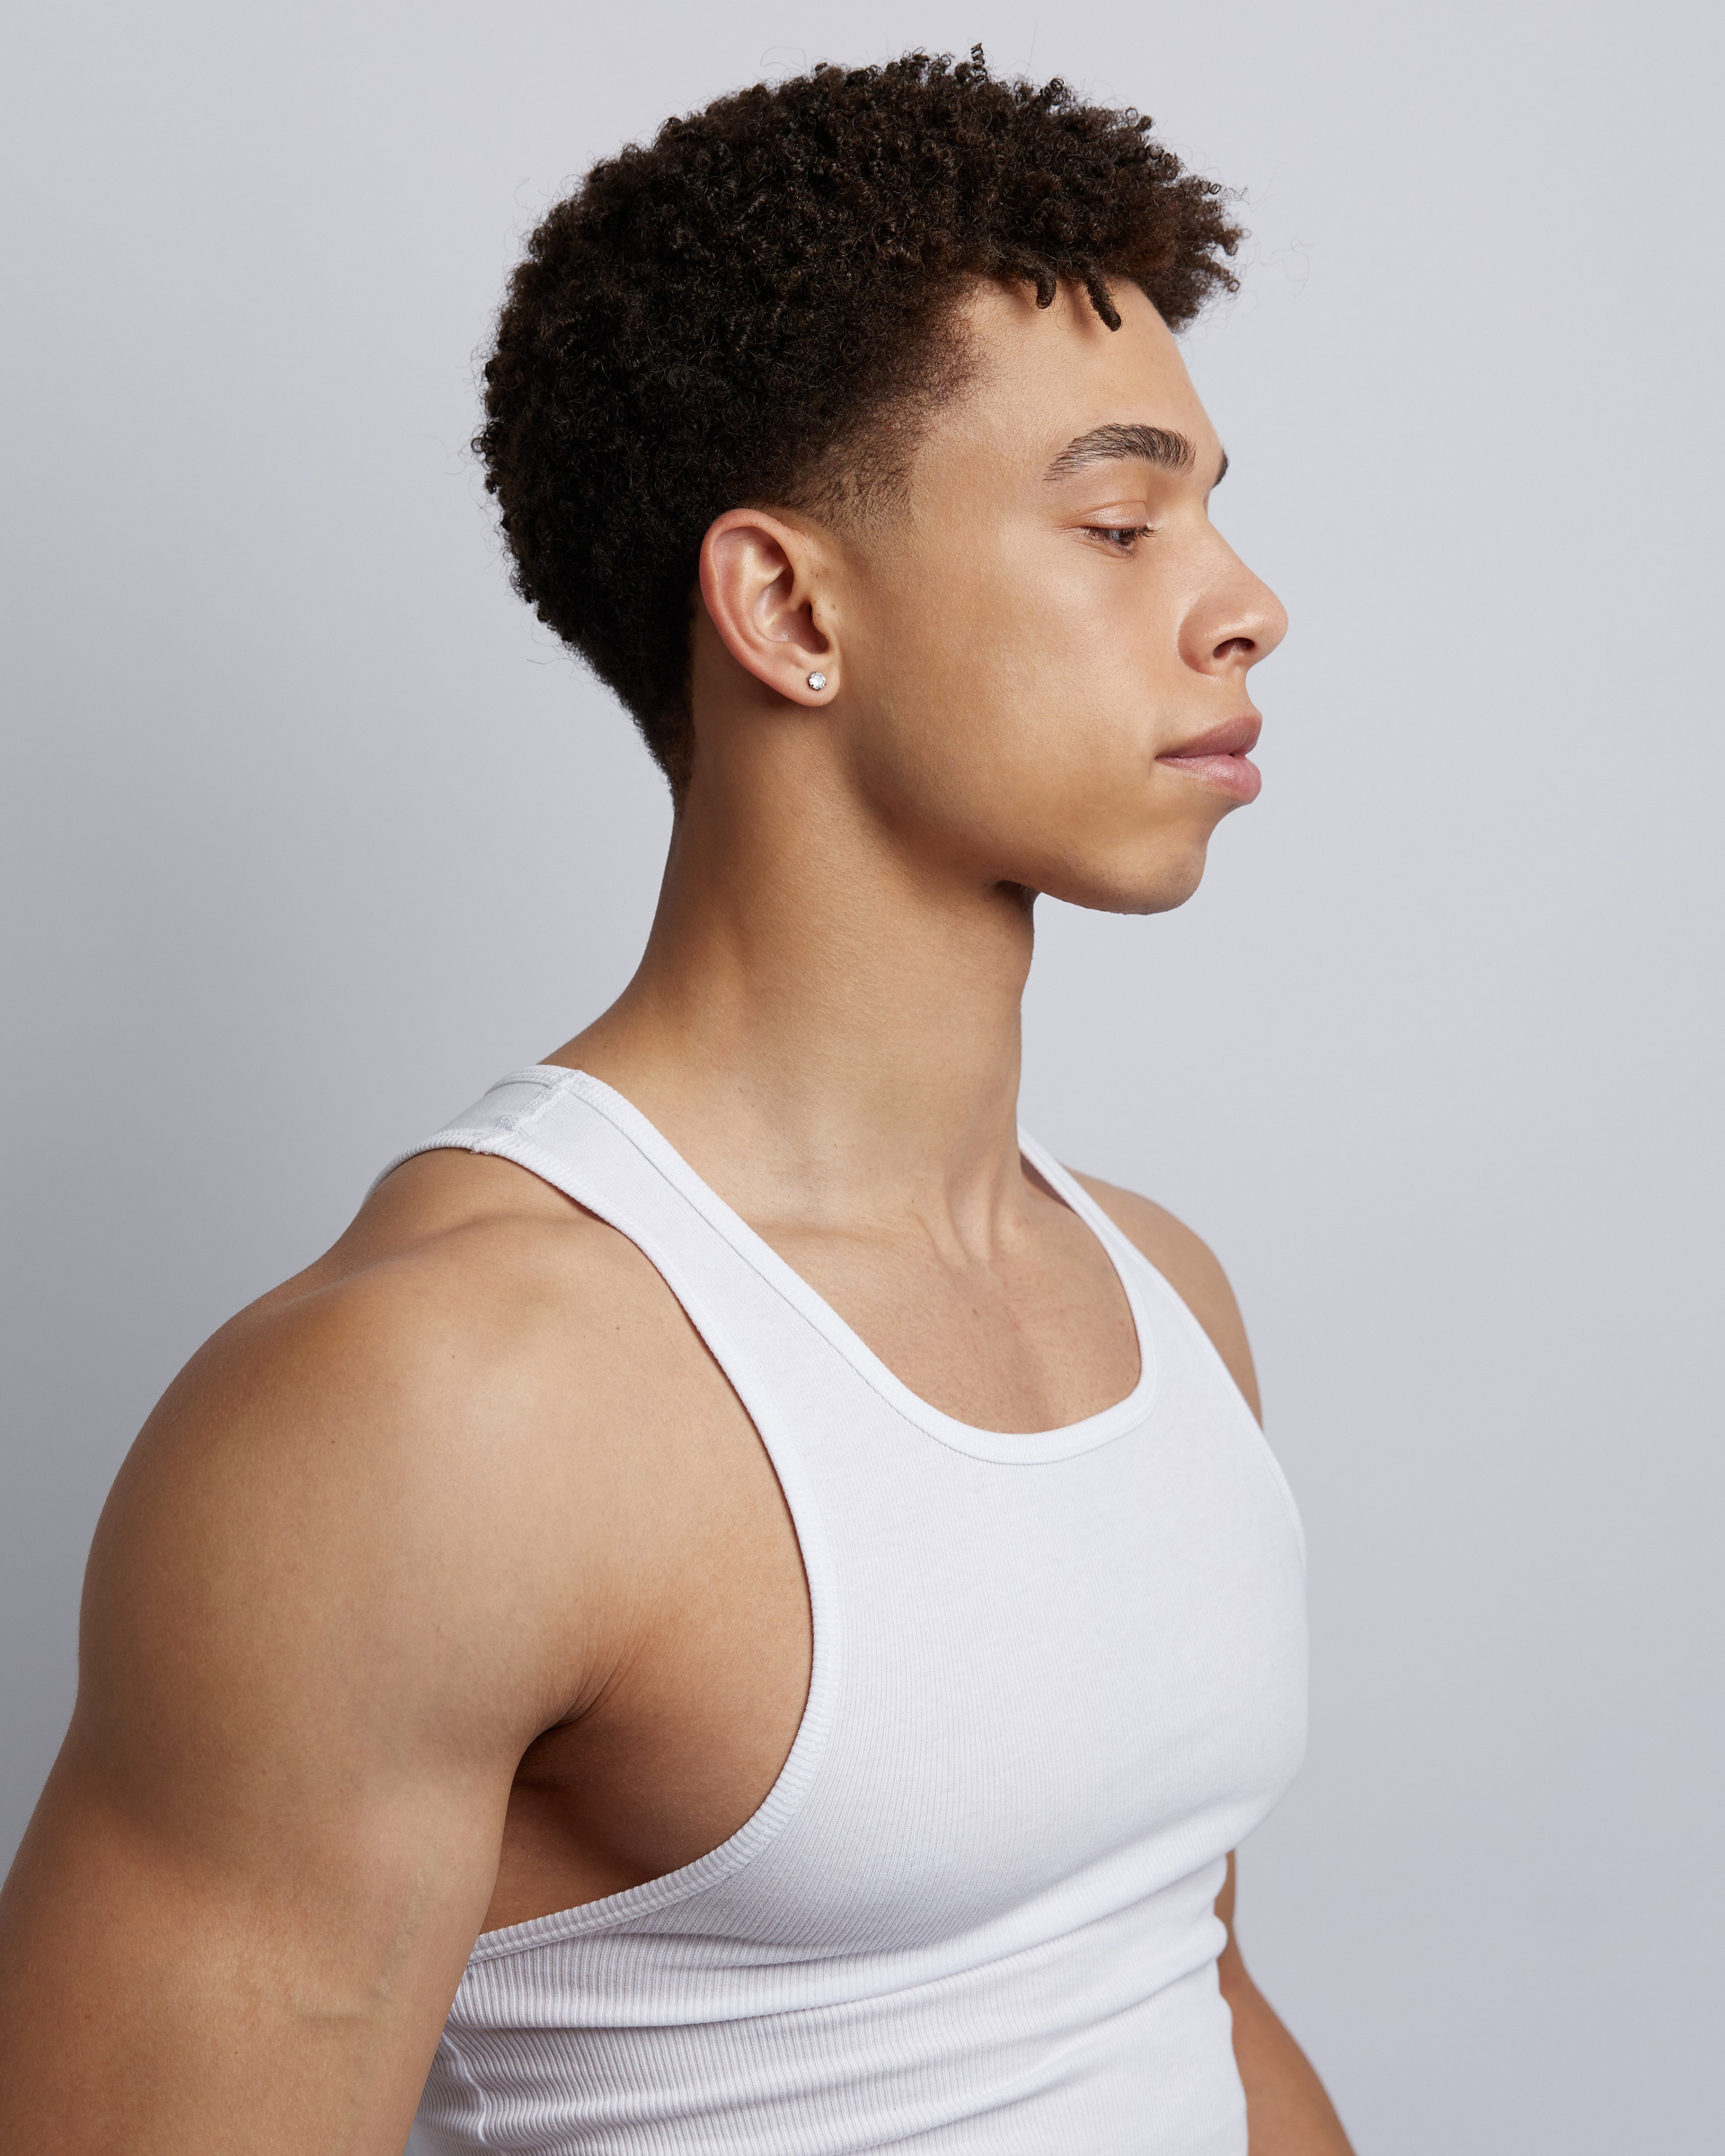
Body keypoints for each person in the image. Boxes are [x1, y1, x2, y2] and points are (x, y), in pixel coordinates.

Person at [0, 49, 1354, 2155]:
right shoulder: (435, 1407)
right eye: (1117, 522)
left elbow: (1182, 1997)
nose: (1243, 601)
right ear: (791, 608)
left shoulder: (1161, 1301)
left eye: (1207, 510)